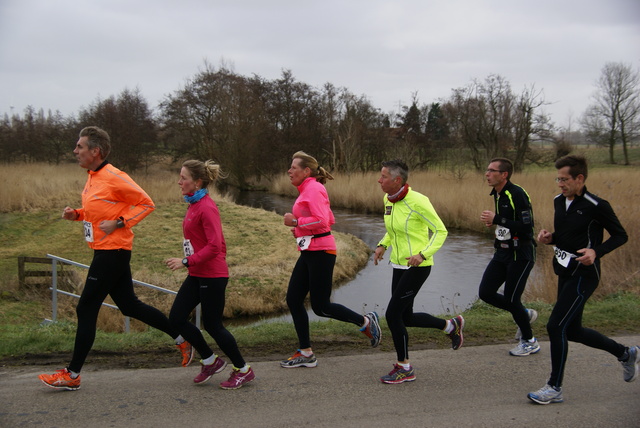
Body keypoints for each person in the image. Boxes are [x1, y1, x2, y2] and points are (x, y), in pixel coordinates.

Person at [38, 126, 193, 391]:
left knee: (85, 308)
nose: (75, 151)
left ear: (95, 151)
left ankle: (72, 374)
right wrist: (76, 214)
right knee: (130, 306)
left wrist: (121, 222)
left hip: (113, 252)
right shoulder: (92, 176)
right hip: (106, 251)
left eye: (80, 147)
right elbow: (98, 212)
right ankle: (182, 338)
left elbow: (146, 203)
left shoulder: (113, 176)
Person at [529, 154, 638, 404]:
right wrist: (551, 238)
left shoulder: (596, 205)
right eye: (558, 178)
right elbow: (567, 235)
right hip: (565, 271)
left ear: (580, 178)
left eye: (564, 179)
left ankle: (554, 387)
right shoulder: (558, 201)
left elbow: (621, 236)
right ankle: (626, 354)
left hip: (585, 275)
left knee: (556, 326)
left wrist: (595, 251)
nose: (560, 183)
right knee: (574, 330)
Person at [280, 151, 381, 368]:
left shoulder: (314, 188)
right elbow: (330, 218)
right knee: (294, 300)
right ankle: (305, 352)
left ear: (306, 171)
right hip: (310, 251)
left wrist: (297, 222)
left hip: (321, 253)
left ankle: (365, 322)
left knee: (321, 306)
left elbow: (323, 221)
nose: (289, 171)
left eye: (293, 167)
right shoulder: (309, 189)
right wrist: (301, 231)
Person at [165, 160, 255, 390]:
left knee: (213, 325)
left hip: (212, 274)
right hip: (197, 273)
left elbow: (216, 246)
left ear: (197, 182)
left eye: (183, 178)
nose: (179, 181)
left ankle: (243, 369)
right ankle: (210, 360)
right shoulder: (193, 205)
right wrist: (190, 262)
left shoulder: (206, 207)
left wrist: (186, 261)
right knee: (176, 318)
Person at [373, 159, 464, 384]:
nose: (379, 180)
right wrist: (382, 244)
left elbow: (441, 231)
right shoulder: (388, 199)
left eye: (384, 176)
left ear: (397, 180)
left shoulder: (419, 201)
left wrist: (422, 254)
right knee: (407, 317)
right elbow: (393, 230)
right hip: (398, 264)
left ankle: (405, 367)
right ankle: (450, 325)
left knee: (393, 315)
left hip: (418, 266)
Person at [477, 158, 539, 356]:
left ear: (504, 175)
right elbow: (509, 223)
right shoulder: (498, 193)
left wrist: (497, 219)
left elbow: (527, 226)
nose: (487, 174)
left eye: (492, 171)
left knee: (512, 298)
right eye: (487, 170)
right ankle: (523, 314)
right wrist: (497, 224)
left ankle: (529, 341)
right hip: (502, 252)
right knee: (486, 292)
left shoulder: (517, 193)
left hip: (520, 254)